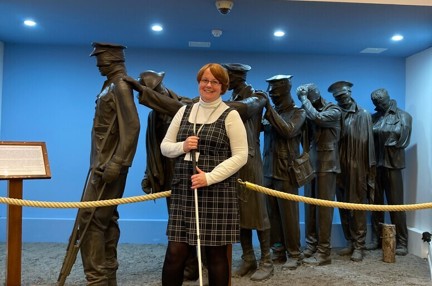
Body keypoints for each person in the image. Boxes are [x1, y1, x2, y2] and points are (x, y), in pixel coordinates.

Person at [160, 63, 248, 286]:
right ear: (199, 82)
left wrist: (209, 177)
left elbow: (241, 156)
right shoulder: (184, 110)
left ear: (223, 87)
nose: (208, 85)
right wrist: (183, 146)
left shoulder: (230, 115)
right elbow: (165, 147)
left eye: (215, 82)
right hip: (185, 188)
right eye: (205, 80)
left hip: (217, 190)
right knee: (175, 253)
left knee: (215, 256)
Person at [79, 42, 140, 285]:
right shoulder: (109, 84)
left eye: (100, 59)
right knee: (106, 218)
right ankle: (108, 275)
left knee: (90, 220)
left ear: (112, 59)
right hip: (100, 163)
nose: (97, 64)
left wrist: (117, 163)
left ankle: (97, 280)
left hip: (109, 166)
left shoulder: (121, 85)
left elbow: (132, 126)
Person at [221, 63, 273, 281]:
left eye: (227, 76)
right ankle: (248, 257)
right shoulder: (235, 94)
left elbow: (239, 109)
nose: (224, 80)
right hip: (233, 160)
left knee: (258, 213)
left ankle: (267, 261)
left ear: (236, 76)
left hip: (250, 161)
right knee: (239, 213)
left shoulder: (256, 95)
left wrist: (213, 103)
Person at [262, 75, 306, 270]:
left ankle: (295, 253)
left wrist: (268, 109)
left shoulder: (298, 113)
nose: (272, 96)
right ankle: (278, 250)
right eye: (270, 94)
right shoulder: (272, 113)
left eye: (275, 93)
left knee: (289, 215)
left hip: (286, 170)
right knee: (272, 214)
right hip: (268, 170)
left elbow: (288, 131)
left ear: (285, 91)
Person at [328, 81, 376, 262]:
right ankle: (349, 241)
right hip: (339, 165)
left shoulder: (363, 115)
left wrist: (369, 170)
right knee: (343, 205)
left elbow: (369, 143)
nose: (343, 99)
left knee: (358, 206)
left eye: (345, 95)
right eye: (339, 98)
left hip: (358, 166)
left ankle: (359, 245)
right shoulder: (335, 113)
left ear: (350, 93)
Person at [296, 83, 342, 266]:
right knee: (310, 207)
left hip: (328, 164)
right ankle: (311, 245)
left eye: (307, 97)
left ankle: (324, 252)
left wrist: (304, 100)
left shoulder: (333, 109)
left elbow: (318, 118)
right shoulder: (307, 107)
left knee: (324, 209)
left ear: (314, 96)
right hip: (311, 163)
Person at [368, 88, 412, 256]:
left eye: (381, 101)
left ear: (388, 98)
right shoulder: (373, 118)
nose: (379, 105)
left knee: (396, 205)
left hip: (393, 166)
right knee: (375, 204)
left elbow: (403, 140)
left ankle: (402, 242)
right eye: (376, 103)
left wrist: (390, 140)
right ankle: (376, 239)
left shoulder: (403, 116)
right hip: (376, 166)